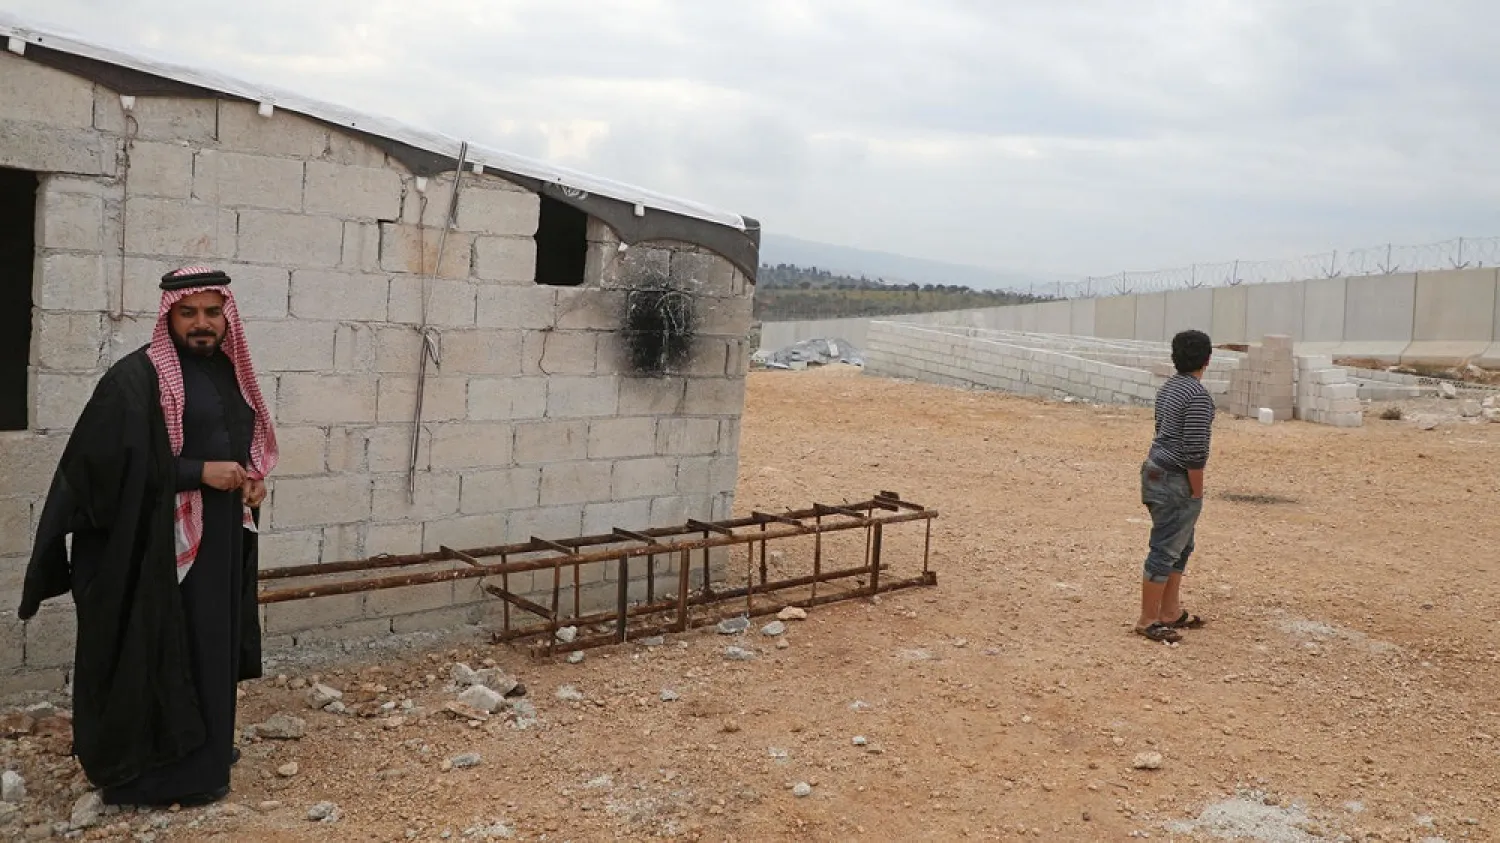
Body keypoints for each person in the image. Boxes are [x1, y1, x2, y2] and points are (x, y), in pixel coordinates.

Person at [19, 266, 278, 807]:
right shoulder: (136, 380)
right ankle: (156, 776)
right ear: (170, 315)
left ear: (226, 314)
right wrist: (197, 473)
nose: (202, 323)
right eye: (189, 313)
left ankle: (206, 756)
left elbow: (235, 440)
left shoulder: (227, 372)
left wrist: (249, 481)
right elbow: (106, 468)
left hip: (219, 540)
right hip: (154, 550)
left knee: (210, 646)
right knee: (161, 646)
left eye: (212, 312)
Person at [1134, 329, 1215, 643]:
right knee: (1167, 548)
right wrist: (1197, 490)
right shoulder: (1197, 396)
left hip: (1155, 470)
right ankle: (1147, 619)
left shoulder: (1169, 388)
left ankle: (1170, 612)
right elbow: (1195, 451)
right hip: (1174, 479)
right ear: (1207, 360)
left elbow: (1160, 429)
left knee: (1180, 545)